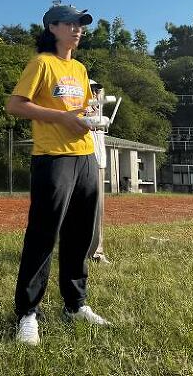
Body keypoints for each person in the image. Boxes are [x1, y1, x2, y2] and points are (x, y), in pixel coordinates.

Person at [6, 3, 110, 346]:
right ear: (52, 27)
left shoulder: (79, 68)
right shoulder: (41, 63)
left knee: (80, 234)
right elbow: (15, 105)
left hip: (84, 155)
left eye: (81, 24)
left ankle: (75, 304)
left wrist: (89, 115)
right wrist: (61, 118)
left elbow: (80, 108)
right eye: (70, 23)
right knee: (43, 234)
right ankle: (27, 313)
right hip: (53, 157)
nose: (78, 29)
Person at [87, 80, 112, 265]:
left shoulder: (97, 109)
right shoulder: (76, 106)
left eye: (97, 91)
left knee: (96, 209)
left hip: (97, 162)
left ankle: (96, 252)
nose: (95, 94)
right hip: (76, 159)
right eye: (92, 90)